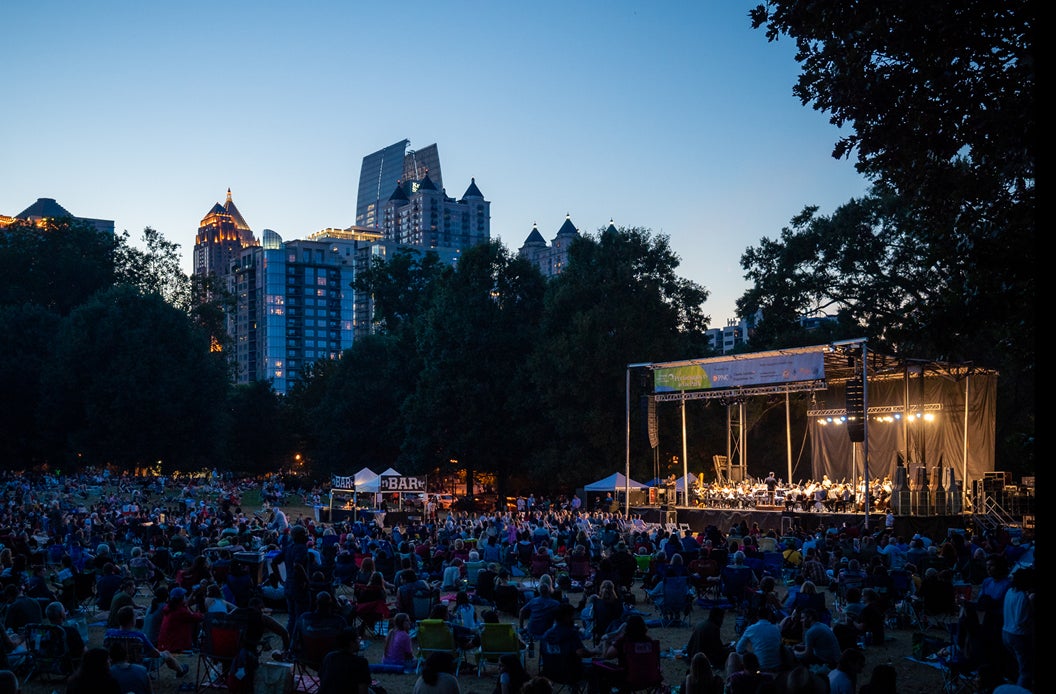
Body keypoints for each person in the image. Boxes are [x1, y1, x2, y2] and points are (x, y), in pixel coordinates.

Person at [105, 604, 190, 677]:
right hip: (138, 667)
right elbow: (155, 654)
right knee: (166, 654)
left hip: (116, 666)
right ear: (132, 620)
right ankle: (181, 670)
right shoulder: (139, 636)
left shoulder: (109, 634)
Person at [1000, 566, 1034, 691]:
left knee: (1019, 665)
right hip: (1018, 635)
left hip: (1006, 632)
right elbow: (1021, 621)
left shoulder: (1010, 592)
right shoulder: (1022, 597)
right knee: (1025, 670)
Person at [317, 627, 370, 694]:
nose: (360, 640)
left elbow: (322, 678)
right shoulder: (361, 663)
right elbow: (363, 691)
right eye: (358, 638)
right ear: (351, 643)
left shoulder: (329, 657)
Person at [156, 586, 204, 653]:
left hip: (165, 644)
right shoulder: (180, 611)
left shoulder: (169, 608)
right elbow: (197, 617)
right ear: (181, 598)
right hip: (174, 646)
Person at [734, 608, 784, 673]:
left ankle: (732, 679)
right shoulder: (776, 628)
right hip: (777, 667)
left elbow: (739, 649)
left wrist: (749, 654)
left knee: (733, 656)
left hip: (759, 669)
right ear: (769, 616)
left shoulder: (751, 629)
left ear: (757, 617)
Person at [685, 607, 730, 672]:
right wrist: (727, 649)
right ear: (717, 617)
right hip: (705, 658)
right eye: (721, 618)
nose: (722, 621)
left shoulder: (701, 624)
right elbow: (717, 649)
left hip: (694, 655)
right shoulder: (714, 628)